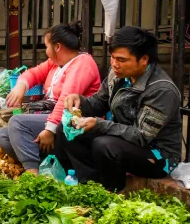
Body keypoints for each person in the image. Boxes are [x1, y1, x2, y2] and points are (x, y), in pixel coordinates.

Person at [54, 26, 182, 192]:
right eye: (113, 58)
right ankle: (90, 188)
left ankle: (111, 193)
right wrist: (80, 101)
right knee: (66, 129)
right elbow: (99, 102)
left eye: (122, 60)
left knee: (105, 145)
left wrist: (99, 125)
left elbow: (141, 136)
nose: (115, 64)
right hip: (125, 142)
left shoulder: (161, 90)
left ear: (144, 59)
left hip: (158, 156)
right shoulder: (118, 76)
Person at [0, 22, 101, 174]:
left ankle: (33, 176)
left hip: (73, 122)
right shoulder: (55, 63)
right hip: (51, 117)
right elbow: (33, 73)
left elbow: (66, 99)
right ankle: (48, 167)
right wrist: (21, 86)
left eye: (46, 46)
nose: (46, 51)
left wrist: (50, 129)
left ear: (57, 47)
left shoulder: (83, 63)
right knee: (3, 135)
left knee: (17, 123)